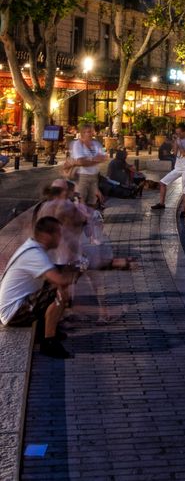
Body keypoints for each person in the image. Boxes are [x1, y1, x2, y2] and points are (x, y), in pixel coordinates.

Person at [0, 216, 79, 358]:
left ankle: (46, 328)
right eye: (58, 233)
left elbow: (54, 270)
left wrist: (72, 268)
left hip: (18, 305)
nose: (60, 238)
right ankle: (48, 341)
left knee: (54, 285)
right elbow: (59, 280)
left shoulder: (32, 247)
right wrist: (75, 274)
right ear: (46, 235)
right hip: (14, 312)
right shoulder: (34, 254)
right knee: (58, 289)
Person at [151, 125, 185, 216]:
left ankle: (183, 211)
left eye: (179, 133)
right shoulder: (177, 140)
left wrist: (179, 144)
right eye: (176, 133)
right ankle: (162, 204)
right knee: (162, 182)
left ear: (184, 132)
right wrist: (175, 142)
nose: (178, 134)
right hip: (178, 167)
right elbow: (174, 153)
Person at [69, 124, 106, 206]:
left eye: (91, 132)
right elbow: (80, 162)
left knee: (93, 202)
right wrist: (95, 159)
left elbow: (104, 158)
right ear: (82, 133)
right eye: (88, 132)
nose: (90, 134)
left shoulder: (96, 144)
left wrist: (88, 160)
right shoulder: (77, 144)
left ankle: (89, 218)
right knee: (81, 201)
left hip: (95, 176)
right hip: (82, 176)